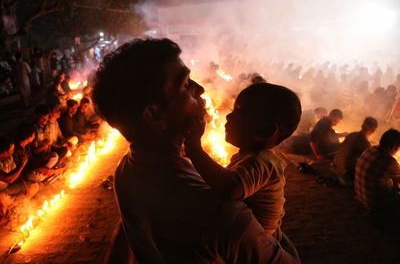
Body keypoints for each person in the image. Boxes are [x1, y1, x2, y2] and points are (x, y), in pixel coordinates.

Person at [92, 38, 300, 263]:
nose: (200, 89)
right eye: (185, 84)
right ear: (154, 114)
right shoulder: (219, 216)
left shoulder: (127, 170)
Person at [185, 82, 301, 251]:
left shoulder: (262, 162)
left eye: (240, 112)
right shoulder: (250, 157)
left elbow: (231, 188)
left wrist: (195, 150)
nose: (228, 117)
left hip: (257, 245)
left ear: (267, 129)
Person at [355, 129, 400, 221]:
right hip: (375, 203)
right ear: (393, 147)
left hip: (360, 196)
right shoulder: (389, 161)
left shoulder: (369, 150)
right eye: (398, 148)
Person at [0, 137, 38, 220]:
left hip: (7, 189)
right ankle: (9, 208)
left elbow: (16, 175)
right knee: (3, 209)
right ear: (5, 152)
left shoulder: (9, 158)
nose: (13, 151)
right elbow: (8, 179)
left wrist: (23, 186)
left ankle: (13, 205)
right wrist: (22, 165)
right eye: (11, 150)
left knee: (32, 186)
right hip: (1, 194)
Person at [335, 117, 378, 187]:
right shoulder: (365, 143)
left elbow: (342, 148)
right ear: (373, 130)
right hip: (347, 176)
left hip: (338, 168)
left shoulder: (352, 134)